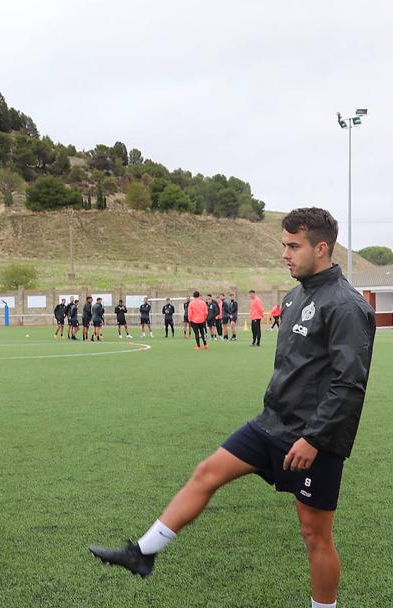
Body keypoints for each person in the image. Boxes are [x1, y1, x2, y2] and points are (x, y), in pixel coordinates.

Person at [90, 207, 376, 608]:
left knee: (315, 535)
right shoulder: (295, 298)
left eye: (294, 246)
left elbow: (349, 385)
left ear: (322, 248)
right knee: (208, 472)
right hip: (271, 425)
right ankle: (143, 553)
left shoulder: (346, 306)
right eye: (284, 245)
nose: (285, 254)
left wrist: (314, 437)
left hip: (315, 439)